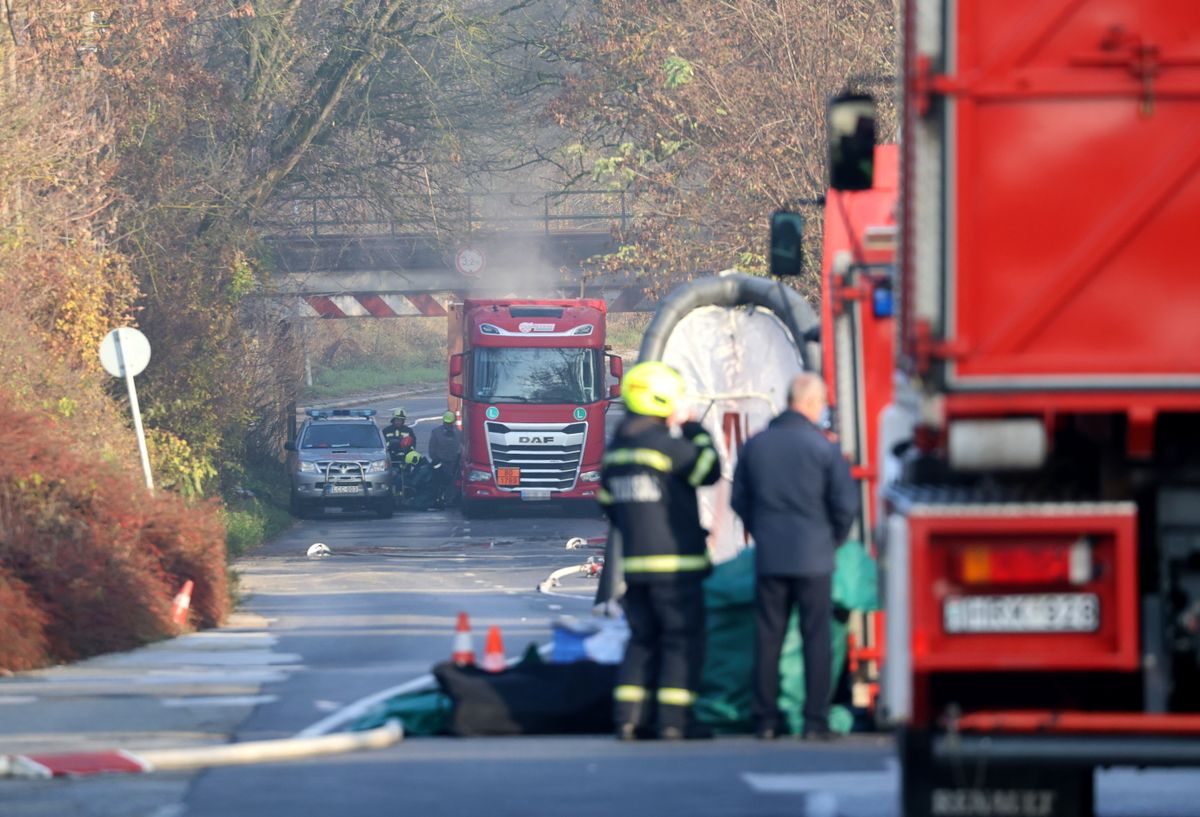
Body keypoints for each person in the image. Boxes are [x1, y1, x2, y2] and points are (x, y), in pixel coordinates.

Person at [730, 373, 858, 741]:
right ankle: (815, 721)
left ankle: (765, 721)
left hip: (771, 556)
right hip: (815, 558)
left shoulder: (757, 445)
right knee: (816, 639)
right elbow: (845, 505)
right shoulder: (824, 448)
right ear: (813, 404)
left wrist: (761, 531)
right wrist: (831, 540)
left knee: (768, 638)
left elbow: (740, 498)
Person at [600, 361, 721, 741]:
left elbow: (608, 504)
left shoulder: (616, 453)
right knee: (681, 640)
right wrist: (693, 429)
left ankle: (627, 719)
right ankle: (674, 721)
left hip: (636, 566)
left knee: (641, 640)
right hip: (677, 565)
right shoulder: (666, 445)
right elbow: (709, 470)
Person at [427, 411, 462, 508]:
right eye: (447, 423)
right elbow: (432, 449)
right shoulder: (436, 432)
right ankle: (440, 498)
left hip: (454, 463)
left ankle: (450, 499)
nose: (448, 425)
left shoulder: (459, 433)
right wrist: (436, 461)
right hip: (441, 463)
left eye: (450, 423)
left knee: (452, 483)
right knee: (440, 482)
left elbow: (462, 448)